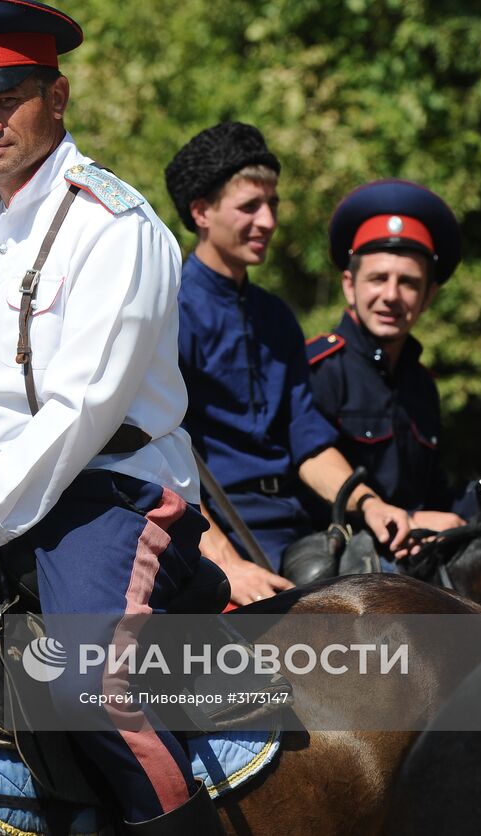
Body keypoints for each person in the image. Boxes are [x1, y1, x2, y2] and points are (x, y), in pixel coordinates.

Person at [0, 0, 221, 833]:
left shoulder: (117, 223)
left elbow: (81, 414)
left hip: (113, 496)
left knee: (81, 685)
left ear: (56, 99)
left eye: (4, 102)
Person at [164, 123, 415, 603]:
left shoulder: (275, 316)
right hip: (207, 531)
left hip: (293, 529)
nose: (268, 221)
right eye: (249, 207)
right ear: (201, 212)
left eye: (272, 205)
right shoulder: (170, 310)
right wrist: (224, 562)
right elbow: (159, 452)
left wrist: (368, 503)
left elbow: (306, 438)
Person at [304, 179, 481, 533]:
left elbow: (437, 501)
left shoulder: (420, 385)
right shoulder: (318, 370)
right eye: (378, 278)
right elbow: (304, 488)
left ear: (428, 295)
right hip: (340, 566)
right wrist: (405, 519)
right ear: (350, 285)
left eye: (408, 283)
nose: (391, 295)